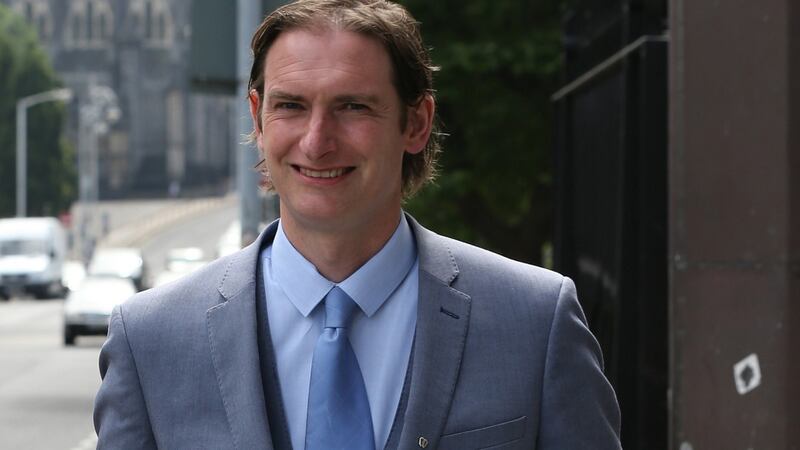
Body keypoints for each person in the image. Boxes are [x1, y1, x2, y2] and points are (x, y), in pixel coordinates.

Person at [93, 0, 621, 449]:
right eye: (291, 106)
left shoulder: (534, 322)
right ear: (256, 118)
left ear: (416, 123)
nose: (317, 140)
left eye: (352, 106)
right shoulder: (151, 341)